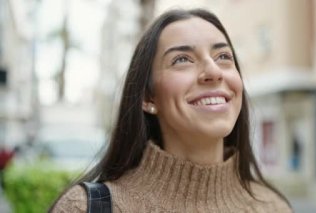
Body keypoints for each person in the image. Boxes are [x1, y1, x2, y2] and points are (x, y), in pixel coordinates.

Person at [51, 8, 292, 212]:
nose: (214, 71)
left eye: (223, 56)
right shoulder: (83, 207)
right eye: (182, 60)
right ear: (147, 97)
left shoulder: (274, 207)